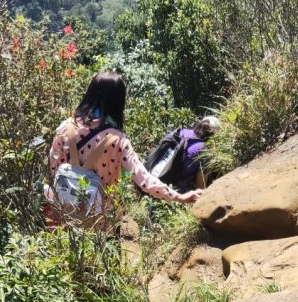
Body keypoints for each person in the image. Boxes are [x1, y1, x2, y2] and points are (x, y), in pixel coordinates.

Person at [48, 72, 204, 217]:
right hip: (102, 221)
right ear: (118, 102)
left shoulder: (65, 128)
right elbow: (143, 179)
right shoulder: (118, 141)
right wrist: (179, 197)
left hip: (65, 214)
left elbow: (53, 169)